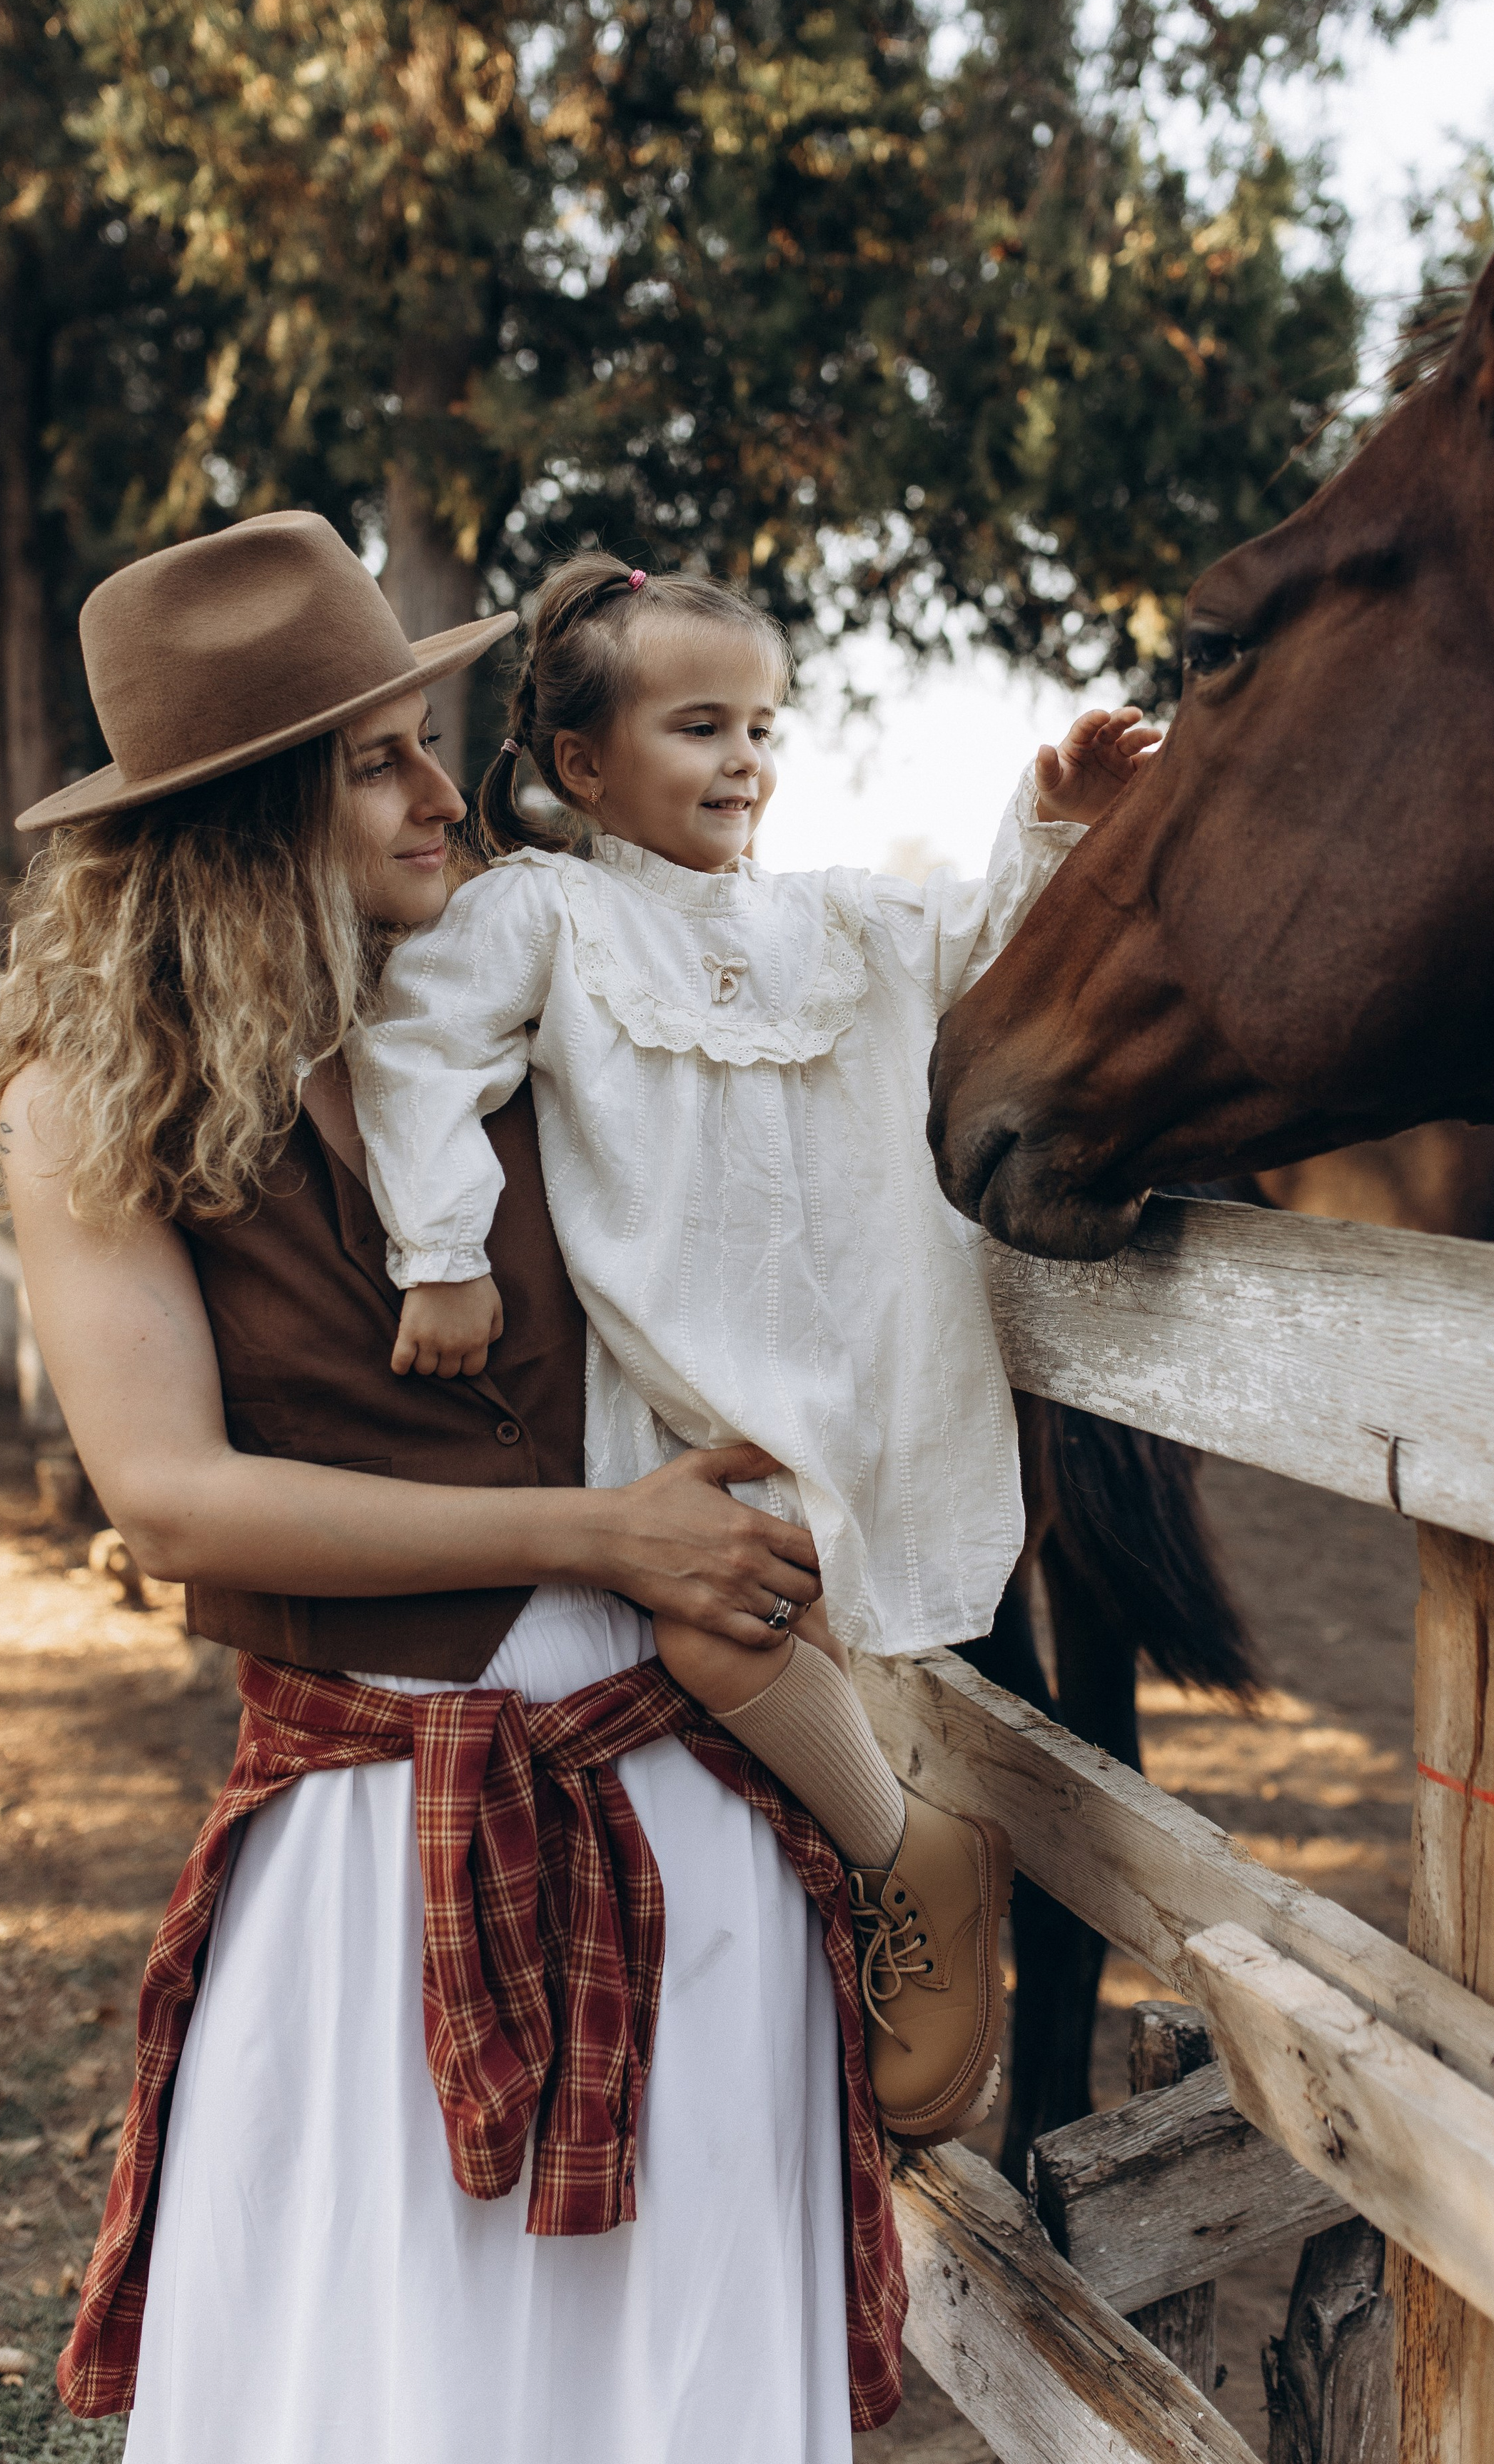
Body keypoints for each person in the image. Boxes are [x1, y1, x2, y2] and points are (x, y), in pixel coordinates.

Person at [0, 511, 905, 2464]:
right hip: (377, 1848)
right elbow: (180, 1503)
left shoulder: (530, 1012)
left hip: (678, 1819)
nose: (439, 793)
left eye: (424, 738)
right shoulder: (90, 1096)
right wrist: (591, 1534)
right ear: (245, 812)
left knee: (671, 2379)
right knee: (387, 2386)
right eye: (375, 758)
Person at [347, 551, 1160, 2145]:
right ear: (583, 765)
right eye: (699, 727)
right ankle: (901, 1858)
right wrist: (437, 1253)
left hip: (865, 1345)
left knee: (823, 1637)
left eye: (762, 728)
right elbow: (414, 1045)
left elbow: (992, 937)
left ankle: (860, 1897)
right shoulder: (548, 911)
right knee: (714, 1625)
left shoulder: (837, 920)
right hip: (690, 1379)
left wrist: (1051, 814)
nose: (744, 763)